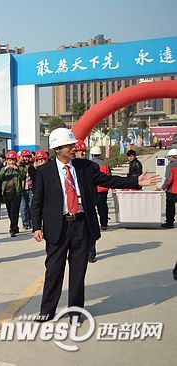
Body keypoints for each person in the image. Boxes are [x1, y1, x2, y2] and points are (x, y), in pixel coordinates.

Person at [31, 128, 160, 322]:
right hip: (57, 227)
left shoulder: (85, 167)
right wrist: (36, 226)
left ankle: (76, 312)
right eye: (69, 146)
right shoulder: (44, 172)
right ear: (57, 149)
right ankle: (47, 310)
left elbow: (109, 180)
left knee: (78, 271)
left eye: (73, 145)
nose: (74, 149)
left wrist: (135, 181)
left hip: (81, 225)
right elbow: (37, 201)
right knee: (54, 270)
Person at [0, 151, 25, 237]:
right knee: (9, 212)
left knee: (14, 211)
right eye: (9, 160)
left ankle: (12, 229)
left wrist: (17, 169)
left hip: (16, 192)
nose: (11, 162)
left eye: (13, 160)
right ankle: (15, 226)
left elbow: (23, 176)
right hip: (6, 193)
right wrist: (4, 170)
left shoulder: (19, 168)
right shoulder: (3, 168)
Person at [19, 149, 35, 230]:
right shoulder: (20, 167)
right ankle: (25, 223)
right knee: (23, 207)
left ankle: (32, 222)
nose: (26, 159)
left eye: (28, 157)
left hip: (31, 188)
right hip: (23, 189)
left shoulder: (33, 166)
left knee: (31, 206)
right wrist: (19, 162)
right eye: (25, 157)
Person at [161, 148, 177, 229]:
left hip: (172, 191)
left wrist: (163, 187)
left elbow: (169, 179)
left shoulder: (170, 165)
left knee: (170, 207)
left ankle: (169, 223)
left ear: (171, 157)